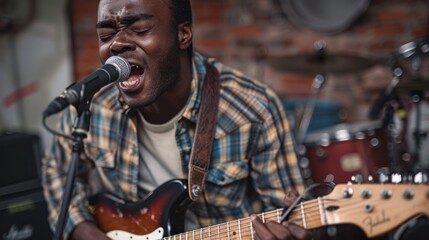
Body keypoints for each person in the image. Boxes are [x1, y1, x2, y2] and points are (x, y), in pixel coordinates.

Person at [41, 0, 310, 239]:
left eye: (140, 29)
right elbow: (58, 173)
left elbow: (291, 215)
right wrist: (85, 231)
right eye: (106, 35)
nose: (117, 44)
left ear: (183, 34)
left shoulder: (253, 110)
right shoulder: (93, 104)